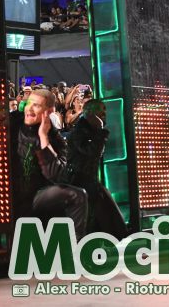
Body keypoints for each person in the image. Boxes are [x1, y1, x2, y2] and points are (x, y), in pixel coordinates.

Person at [9, 89, 88, 239]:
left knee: (77, 195)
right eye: (28, 104)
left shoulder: (56, 140)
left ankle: (74, 249)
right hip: (6, 193)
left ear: (48, 111)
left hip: (36, 197)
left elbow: (56, 176)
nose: (29, 109)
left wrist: (44, 138)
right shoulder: (13, 124)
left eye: (36, 105)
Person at [63, 99, 128, 239]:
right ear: (91, 114)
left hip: (88, 181)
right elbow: (92, 152)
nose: (104, 114)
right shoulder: (80, 131)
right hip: (80, 182)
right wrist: (100, 133)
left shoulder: (89, 130)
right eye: (101, 110)